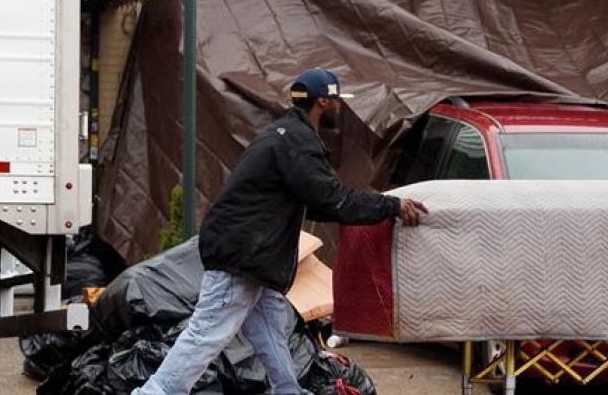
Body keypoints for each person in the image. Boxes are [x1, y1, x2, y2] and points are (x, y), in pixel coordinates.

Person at [132, 68, 427, 395]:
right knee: (207, 334)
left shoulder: (283, 134)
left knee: (270, 334)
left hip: (253, 257)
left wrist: (374, 207)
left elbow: (313, 201)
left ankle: (288, 391)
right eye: (338, 103)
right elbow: (332, 200)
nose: (341, 110)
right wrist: (391, 206)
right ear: (323, 102)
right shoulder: (298, 143)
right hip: (243, 257)